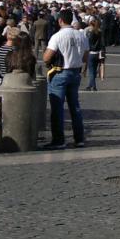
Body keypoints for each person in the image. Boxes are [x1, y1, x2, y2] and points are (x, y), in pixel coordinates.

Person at [46, 11, 90, 148]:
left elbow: (46, 57)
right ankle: (79, 139)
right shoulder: (81, 35)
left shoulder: (57, 36)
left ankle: (59, 140)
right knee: (75, 107)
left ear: (60, 21)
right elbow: (85, 56)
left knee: (57, 108)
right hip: (75, 73)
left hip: (60, 73)